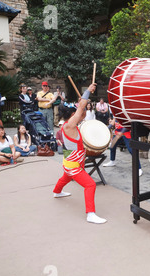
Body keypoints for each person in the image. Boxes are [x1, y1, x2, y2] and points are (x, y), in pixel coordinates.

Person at [53, 83, 107, 224]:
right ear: (73, 115)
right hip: (73, 165)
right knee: (90, 185)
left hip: (69, 162)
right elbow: (82, 106)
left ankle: (57, 192)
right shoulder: (70, 125)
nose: (82, 113)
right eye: (78, 112)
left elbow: (81, 107)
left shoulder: (69, 125)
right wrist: (88, 91)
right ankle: (90, 214)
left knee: (65, 177)